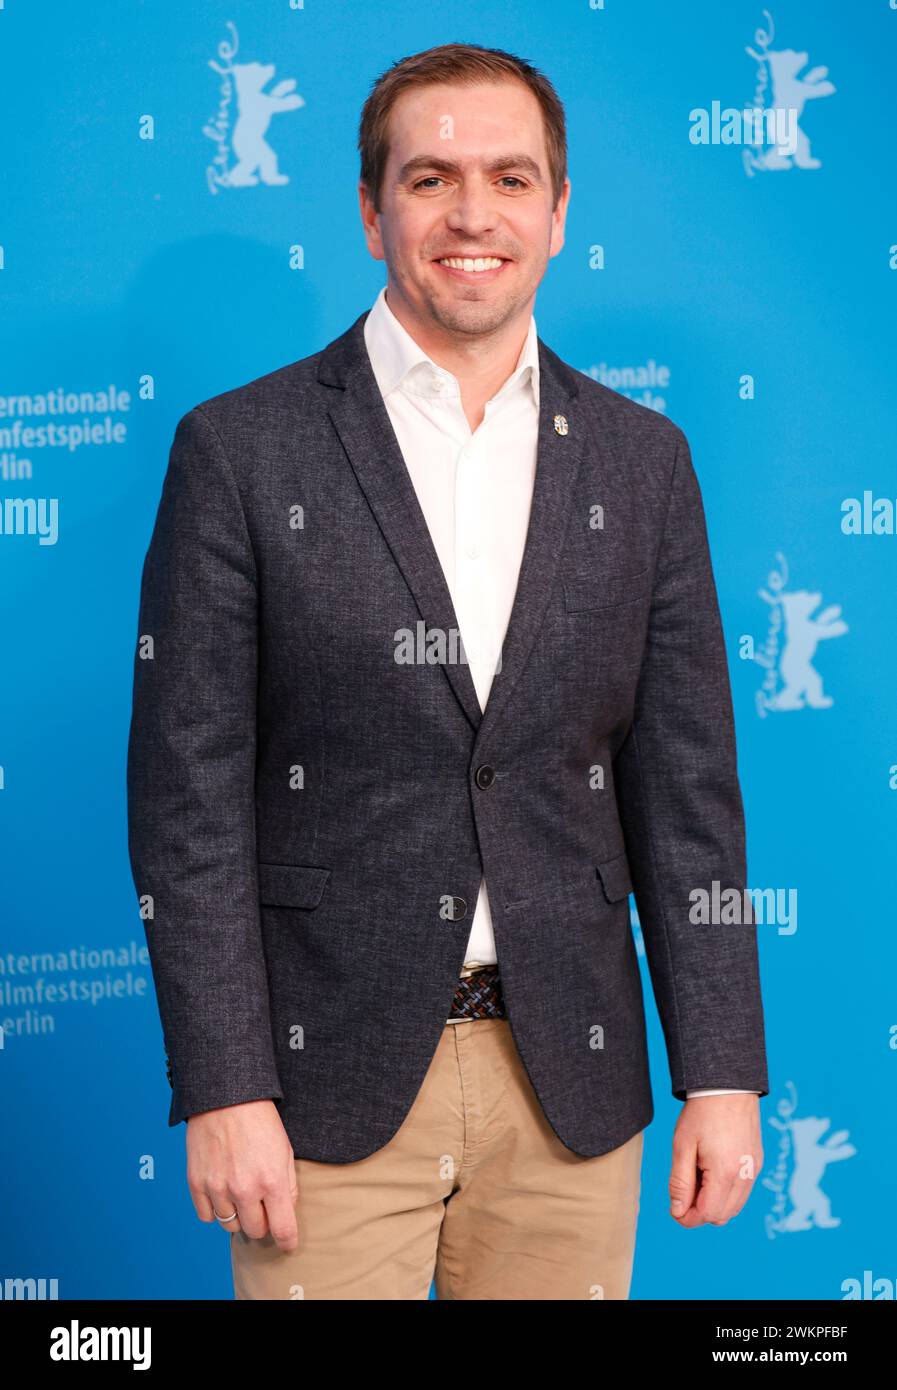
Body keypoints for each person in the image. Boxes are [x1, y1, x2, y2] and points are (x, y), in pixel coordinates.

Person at [126, 42, 768, 1301]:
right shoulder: (242, 451)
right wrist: (225, 1083)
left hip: (573, 1093)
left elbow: (690, 801)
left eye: (510, 178)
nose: (474, 215)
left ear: (558, 211)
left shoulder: (644, 464)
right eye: (431, 178)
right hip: (324, 1093)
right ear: (372, 212)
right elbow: (186, 808)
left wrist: (724, 1072)